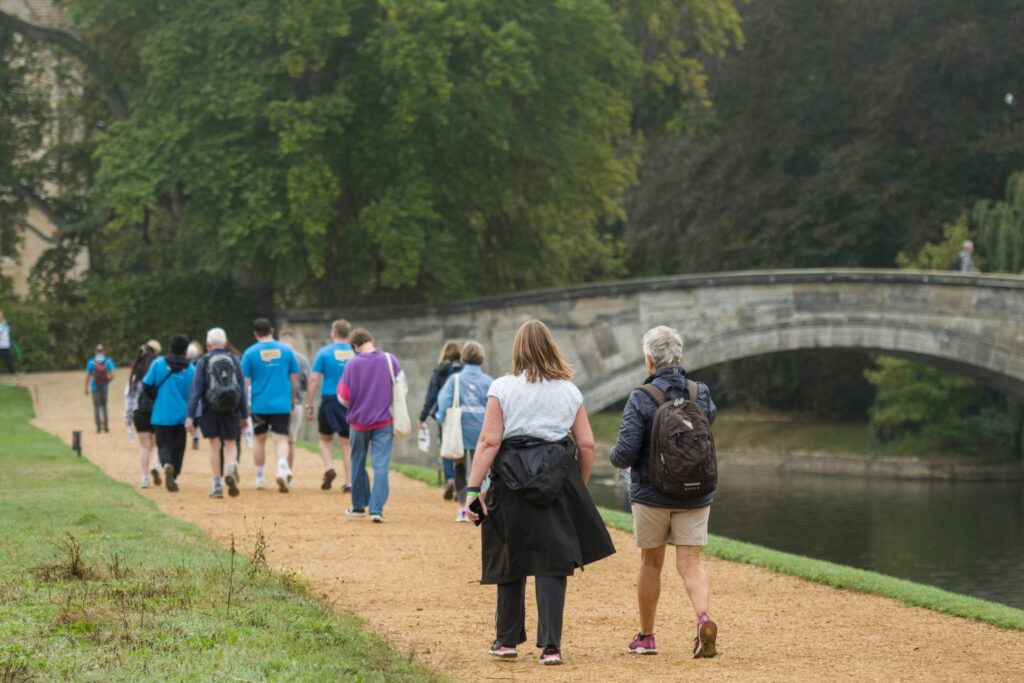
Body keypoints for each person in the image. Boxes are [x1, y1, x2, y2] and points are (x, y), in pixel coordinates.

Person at [464, 320, 615, 665]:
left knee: (509, 557)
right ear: (551, 348)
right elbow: (587, 443)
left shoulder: (501, 387)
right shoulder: (569, 390)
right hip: (556, 481)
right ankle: (551, 647)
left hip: (510, 481)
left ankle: (506, 642)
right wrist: (579, 481)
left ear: (517, 350)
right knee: (553, 561)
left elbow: (489, 441)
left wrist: (474, 489)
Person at [609, 325, 719, 659]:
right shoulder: (700, 393)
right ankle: (703, 618)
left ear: (649, 360)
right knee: (690, 562)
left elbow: (625, 454)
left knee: (651, 562)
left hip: (652, 494)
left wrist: (613, 457)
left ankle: (646, 637)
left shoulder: (642, 397)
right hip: (695, 493)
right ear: (679, 356)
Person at [338, 328, 405, 523]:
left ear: (355, 346)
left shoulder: (352, 364)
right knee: (381, 465)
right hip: (384, 421)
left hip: (358, 422)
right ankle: (376, 509)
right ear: (371, 340)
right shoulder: (389, 360)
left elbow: (343, 397)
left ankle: (358, 506)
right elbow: (402, 388)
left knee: (358, 461)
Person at [186, 328, 249, 499]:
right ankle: (230, 468)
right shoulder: (235, 359)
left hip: (210, 408)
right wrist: (244, 415)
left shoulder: (203, 361)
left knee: (215, 446)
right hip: (231, 408)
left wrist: (190, 415)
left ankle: (217, 484)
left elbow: (196, 391)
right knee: (231, 444)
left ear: (208, 344)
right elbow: (242, 390)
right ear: (226, 344)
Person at [434, 341, 493, 522]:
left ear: (464, 358)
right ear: (481, 358)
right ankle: (481, 507)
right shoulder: (488, 381)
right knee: (482, 471)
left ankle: (462, 509)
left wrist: (440, 417)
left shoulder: (455, 379)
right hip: (481, 432)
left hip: (459, 431)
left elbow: (444, 401)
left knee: (459, 469)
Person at [241, 318, 299, 493]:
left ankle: (260, 478)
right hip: (281, 402)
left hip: (259, 403)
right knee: (282, 438)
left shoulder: (250, 353)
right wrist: (292, 398)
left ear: (255, 333)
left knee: (259, 439)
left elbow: (245, 382)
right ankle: (282, 466)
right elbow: (294, 379)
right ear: (272, 330)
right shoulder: (286, 351)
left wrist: (246, 403)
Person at [306, 319, 355, 492]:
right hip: (351, 401)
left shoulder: (324, 353)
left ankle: (329, 467)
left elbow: (313, 379)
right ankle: (349, 482)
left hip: (330, 400)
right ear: (349, 334)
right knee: (347, 443)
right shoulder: (354, 353)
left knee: (324, 439)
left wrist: (309, 405)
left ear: (333, 333)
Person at [142, 334, 195, 492]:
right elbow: (194, 394)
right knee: (179, 447)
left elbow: (146, 386)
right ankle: (175, 474)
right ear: (186, 351)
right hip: (181, 415)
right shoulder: (191, 369)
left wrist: (155, 397)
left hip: (161, 412)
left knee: (163, 445)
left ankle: (166, 465)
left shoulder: (158, 364)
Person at [418, 341, 462, 500]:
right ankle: (460, 484)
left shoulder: (439, 370)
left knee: (446, 446)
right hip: (461, 414)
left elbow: (431, 396)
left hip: (444, 415)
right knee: (459, 449)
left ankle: (449, 478)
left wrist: (422, 417)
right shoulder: (462, 369)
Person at [123, 340, 162, 488]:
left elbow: (128, 395)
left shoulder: (135, 373)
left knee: (145, 446)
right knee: (157, 444)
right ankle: (155, 465)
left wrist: (126, 415)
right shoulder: (156, 371)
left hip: (139, 412)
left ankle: (145, 478)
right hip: (155, 411)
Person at [280, 330, 312, 475]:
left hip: (277, 403)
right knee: (290, 441)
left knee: (280, 440)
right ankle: (288, 472)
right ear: (294, 343)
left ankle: (280, 469)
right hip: (296, 402)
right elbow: (306, 382)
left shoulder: (277, 357)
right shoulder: (302, 359)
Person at [85, 344, 116, 433]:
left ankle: (98, 427)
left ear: (95, 352)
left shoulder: (91, 362)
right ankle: (106, 426)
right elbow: (113, 375)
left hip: (94, 387)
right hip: (104, 387)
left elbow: (88, 376)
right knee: (104, 407)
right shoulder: (108, 361)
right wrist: (106, 381)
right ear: (104, 352)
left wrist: (86, 388)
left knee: (96, 407)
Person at [0, 309, 22, 377]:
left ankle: (13, 372)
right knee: (8, 359)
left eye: (1, 314)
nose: (1, 316)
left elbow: (7, 333)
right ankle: (13, 372)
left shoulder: (4, 323)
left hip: (5, 345)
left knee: (8, 360)